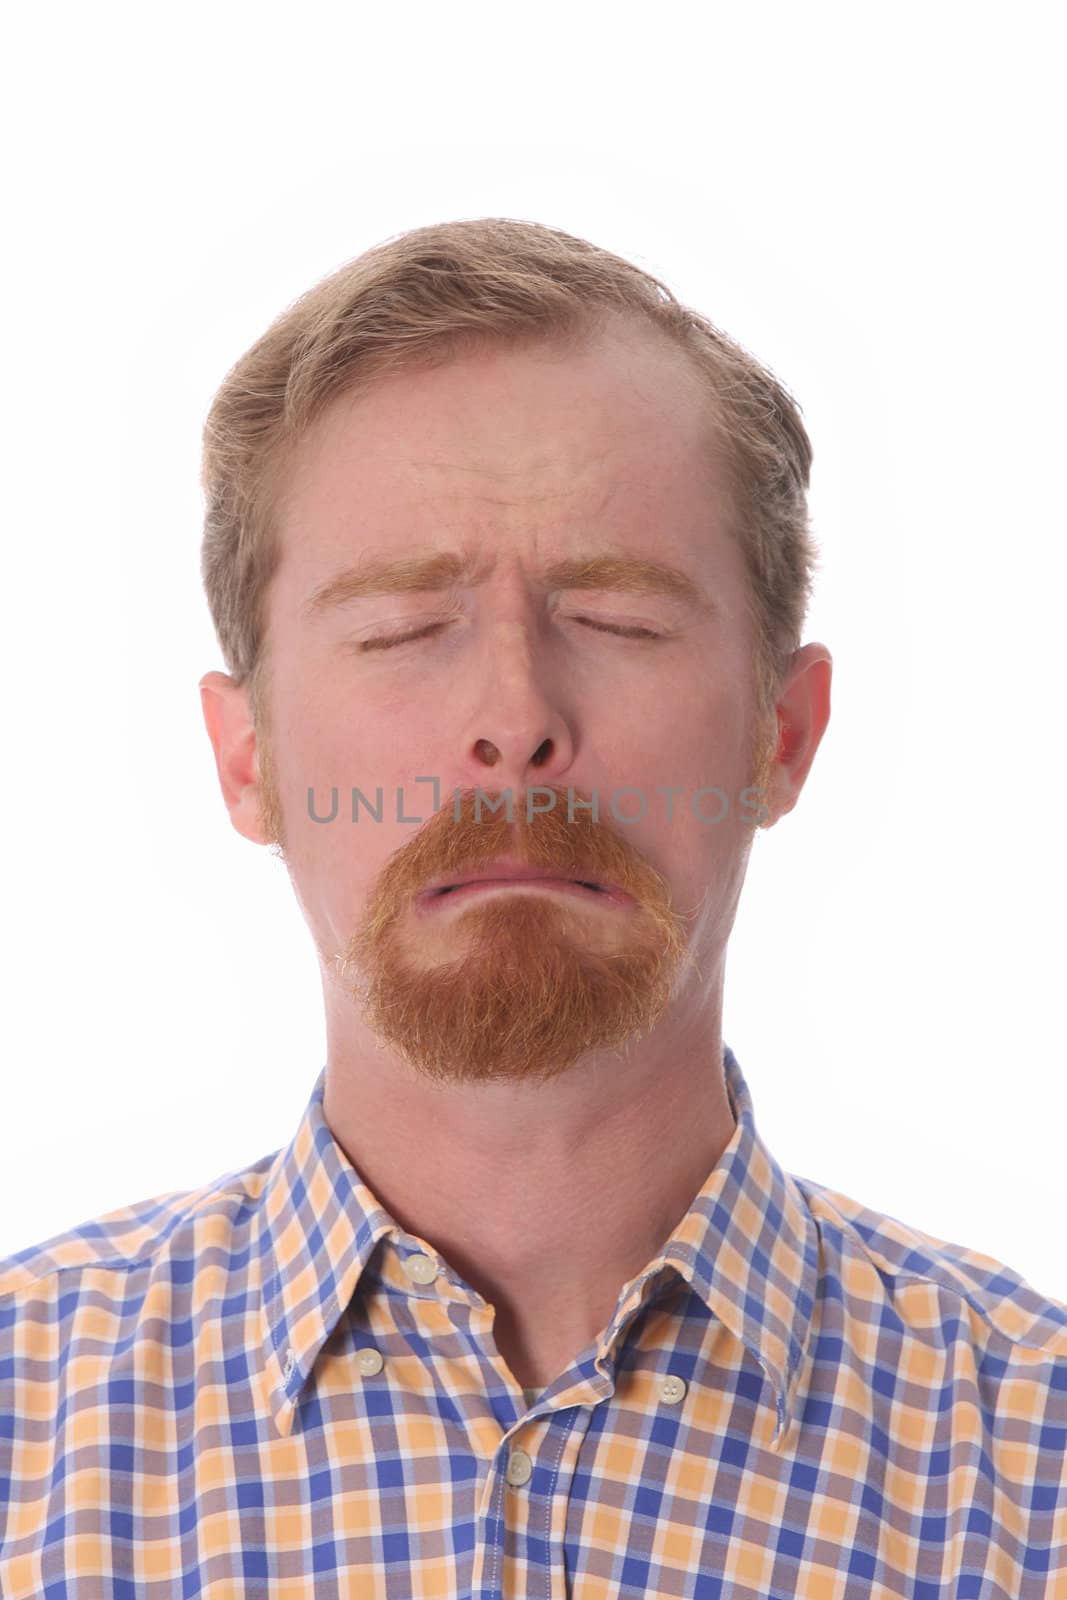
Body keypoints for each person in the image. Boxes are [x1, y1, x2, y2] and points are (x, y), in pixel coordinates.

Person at [1, 217, 1063, 1598]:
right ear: (246, 759)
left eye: (619, 621)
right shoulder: (22, 1433)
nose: (514, 721)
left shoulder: (1037, 1469)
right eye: (399, 631)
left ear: (782, 735)